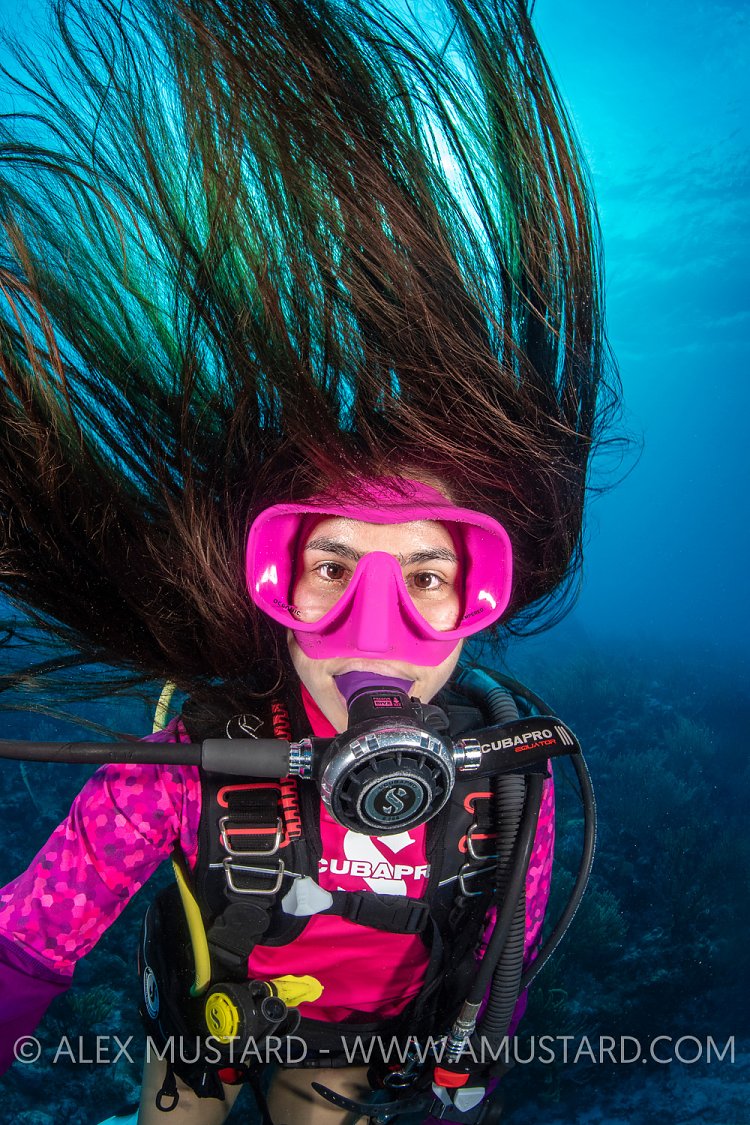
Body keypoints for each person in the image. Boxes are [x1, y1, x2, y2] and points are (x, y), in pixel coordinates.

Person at [0, 0, 621, 1120]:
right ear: (269, 583)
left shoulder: (507, 785)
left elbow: (508, 949)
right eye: (329, 568)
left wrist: (476, 1047)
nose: (372, 633)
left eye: (427, 578)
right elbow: (37, 931)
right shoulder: (190, 756)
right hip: (205, 1023)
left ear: (483, 597)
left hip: (352, 1052)